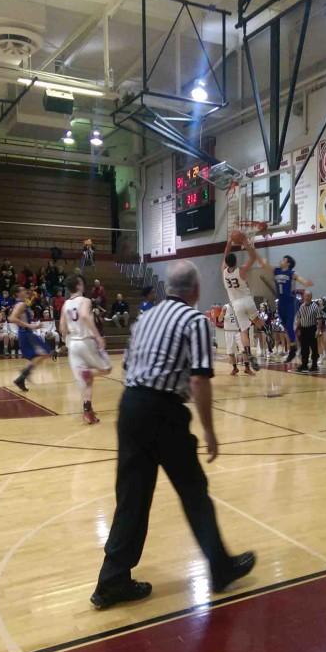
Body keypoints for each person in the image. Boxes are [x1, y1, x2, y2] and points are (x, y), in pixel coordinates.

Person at [91, 259, 256, 609]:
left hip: (131, 406)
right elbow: (198, 378)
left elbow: (129, 365)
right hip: (164, 412)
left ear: (169, 288)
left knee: (132, 497)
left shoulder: (146, 317)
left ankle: (111, 581)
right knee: (194, 492)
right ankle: (221, 569)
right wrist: (210, 431)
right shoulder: (196, 321)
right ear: (195, 291)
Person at [60, 274, 112, 424]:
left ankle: (87, 411)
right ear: (79, 285)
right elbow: (83, 315)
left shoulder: (65, 305)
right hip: (86, 341)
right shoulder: (85, 300)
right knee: (107, 368)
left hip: (73, 345)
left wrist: (65, 342)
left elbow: (62, 328)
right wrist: (98, 337)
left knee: (86, 381)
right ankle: (89, 373)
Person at [256, 254, 313, 362]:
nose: (281, 260)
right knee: (285, 326)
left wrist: (306, 282)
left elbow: (300, 279)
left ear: (288, 263)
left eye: (283, 259)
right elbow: (265, 265)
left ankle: (293, 349)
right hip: (280, 302)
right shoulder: (276, 270)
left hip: (290, 302)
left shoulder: (291, 273)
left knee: (290, 326)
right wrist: (256, 255)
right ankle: (293, 346)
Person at [221, 231, 264, 372]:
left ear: (227, 262)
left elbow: (225, 255)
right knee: (257, 320)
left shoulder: (224, 272)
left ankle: (249, 354)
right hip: (248, 300)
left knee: (244, 331)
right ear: (236, 262)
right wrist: (245, 242)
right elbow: (252, 257)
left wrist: (229, 242)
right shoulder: (242, 270)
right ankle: (266, 332)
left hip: (236, 304)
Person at [9, 285, 51, 391]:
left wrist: (33, 326)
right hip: (26, 333)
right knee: (45, 353)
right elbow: (11, 318)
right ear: (17, 294)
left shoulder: (22, 303)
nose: (25, 291)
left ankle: (22, 378)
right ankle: (24, 374)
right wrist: (30, 326)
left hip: (26, 333)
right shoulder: (21, 304)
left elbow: (27, 305)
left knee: (37, 356)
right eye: (22, 290)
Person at [218, 303, 252, 376]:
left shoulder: (240, 306)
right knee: (231, 352)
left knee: (244, 350)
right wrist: (223, 313)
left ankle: (247, 368)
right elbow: (219, 319)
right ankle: (235, 368)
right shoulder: (225, 307)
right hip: (228, 331)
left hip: (238, 331)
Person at [295, 290, 322, 372]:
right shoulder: (301, 306)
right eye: (305, 296)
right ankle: (304, 364)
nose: (306, 298)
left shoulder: (315, 307)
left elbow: (319, 319)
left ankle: (314, 365)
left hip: (312, 329)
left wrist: (318, 330)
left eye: (308, 296)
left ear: (311, 297)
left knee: (314, 348)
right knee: (304, 348)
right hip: (303, 329)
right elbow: (299, 318)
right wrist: (296, 328)